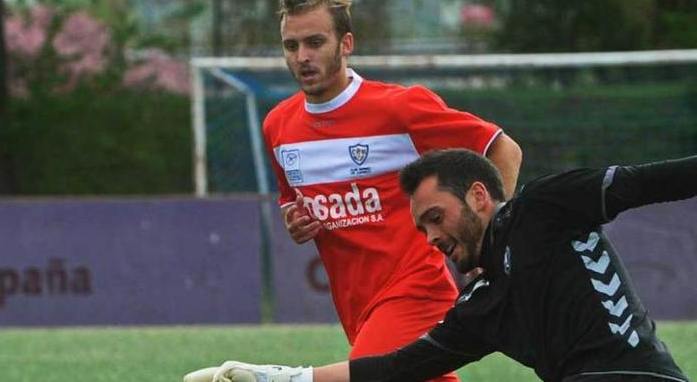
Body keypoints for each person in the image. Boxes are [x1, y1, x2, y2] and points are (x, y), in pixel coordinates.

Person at [184, 149, 694, 382]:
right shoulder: (482, 305)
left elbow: (646, 182)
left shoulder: (541, 208)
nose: (430, 238)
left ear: (478, 195)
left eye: (435, 217)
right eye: (422, 228)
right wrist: (274, 377)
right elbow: (396, 368)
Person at [262, 0, 523, 377]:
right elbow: (291, 202)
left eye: (315, 43)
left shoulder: (399, 109)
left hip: (416, 289)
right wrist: (296, 221)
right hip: (356, 306)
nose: (302, 56)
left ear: (345, 44)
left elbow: (503, 149)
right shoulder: (279, 126)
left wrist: (493, 236)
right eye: (291, 46)